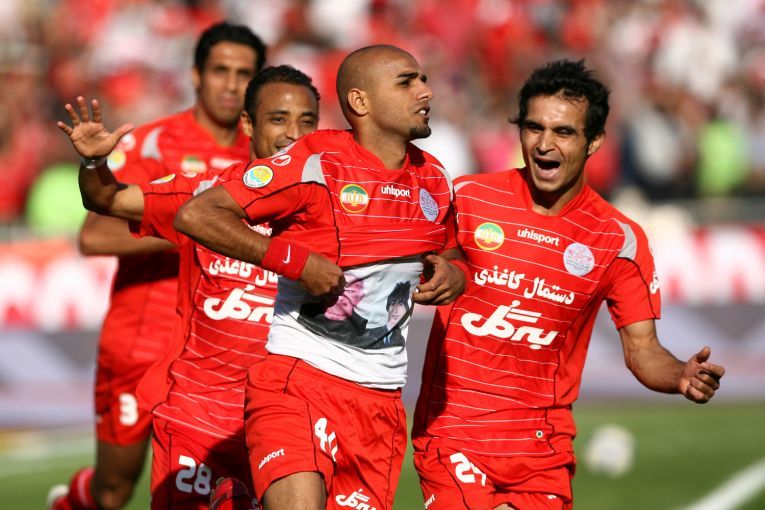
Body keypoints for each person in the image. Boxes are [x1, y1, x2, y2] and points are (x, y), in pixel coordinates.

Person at [411, 59, 726, 510]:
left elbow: (642, 350)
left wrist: (679, 375)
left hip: (544, 449)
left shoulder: (618, 240)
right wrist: (440, 270)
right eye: (533, 128)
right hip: (455, 433)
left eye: (563, 132)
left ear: (593, 141)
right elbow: (428, 259)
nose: (544, 144)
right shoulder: (467, 197)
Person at [172, 44, 466, 510]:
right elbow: (198, 214)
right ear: (360, 101)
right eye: (406, 82)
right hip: (300, 381)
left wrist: (455, 274)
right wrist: (295, 261)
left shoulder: (434, 178)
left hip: (380, 403)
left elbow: (451, 253)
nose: (425, 91)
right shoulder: (315, 161)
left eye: (423, 80)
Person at [55, 65, 320, 509]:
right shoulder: (206, 195)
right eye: (279, 119)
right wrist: (95, 162)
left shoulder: (333, 208)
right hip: (198, 416)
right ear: (248, 124)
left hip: (285, 419)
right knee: (114, 489)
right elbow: (107, 199)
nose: (293, 133)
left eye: (307, 121)